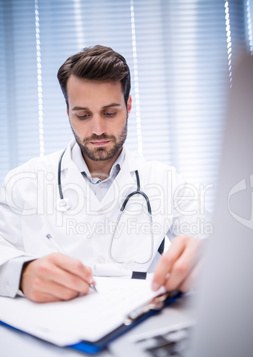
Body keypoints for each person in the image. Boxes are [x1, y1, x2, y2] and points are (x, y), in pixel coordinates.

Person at [0, 45, 205, 303]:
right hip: (53, 328)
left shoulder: (166, 181)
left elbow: (211, 242)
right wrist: (20, 274)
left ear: (128, 105)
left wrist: (204, 255)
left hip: (138, 322)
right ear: (67, 111)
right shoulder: (24, 182)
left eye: (110, 113)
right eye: (83, 115)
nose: (97, 129)